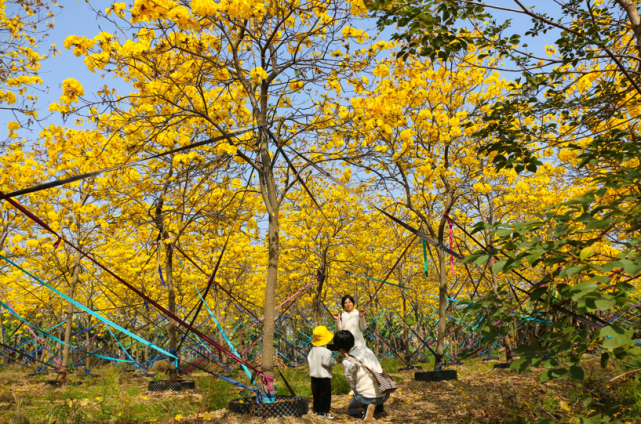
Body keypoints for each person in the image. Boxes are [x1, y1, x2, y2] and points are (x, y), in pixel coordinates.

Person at [333, 330, 390, 422]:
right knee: (373, 385)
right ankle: (379, 409)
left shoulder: (347, 361)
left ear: (339, 348)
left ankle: (364, 409)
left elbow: (351, 382)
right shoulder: (365, 349)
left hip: (367, 397)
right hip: (385, 393)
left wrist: (356, 395)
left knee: (351, 409)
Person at [307, 326, 337, 419]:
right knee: (325, 395)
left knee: (316, 394)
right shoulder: (327, 351)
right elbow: (327, 362)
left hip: (314, 377)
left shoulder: (312, 350)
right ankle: (324, 412)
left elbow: (309, 360)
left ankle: (317, 410)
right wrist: (334, 361)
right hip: (324, 377)